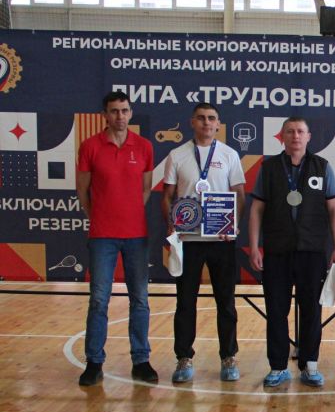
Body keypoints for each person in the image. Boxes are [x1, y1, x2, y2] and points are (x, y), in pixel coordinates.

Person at [248, 117, 335, 388]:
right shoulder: (268, 168)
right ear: (282, 136)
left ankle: (310, 365)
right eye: (290, 131)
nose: (295, 136)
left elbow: (334, 210)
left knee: (312, 310)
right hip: (277, 251)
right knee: (276, 309)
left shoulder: (322, 167)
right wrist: (254, 246)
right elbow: (256, 210)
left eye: (300, 131)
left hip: (311, 251)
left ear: (309, 136)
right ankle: (278, 366)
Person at [75, 90, 156, 386]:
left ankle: (141, 360)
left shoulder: (144, 146)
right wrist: (99, 216)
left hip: (136, 235)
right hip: (102, 237)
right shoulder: (90, 146)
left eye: (124, 110)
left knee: (140, 299)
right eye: (114, 111)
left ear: (130, 113)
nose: (119, 116)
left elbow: (145, 189)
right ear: (105, 115)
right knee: (99, 299)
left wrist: (129, 212)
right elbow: (82, 190)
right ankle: (94, 362)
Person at [161, 103, 246, 383]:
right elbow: (167, 196)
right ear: (192, 122)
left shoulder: (230, 154)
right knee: (185, 302)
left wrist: (232, 225)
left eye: (211, 118)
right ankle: (184, 358)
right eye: (201, 118)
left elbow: (239, 194)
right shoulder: (177, 155)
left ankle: (228, 356)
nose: (206, 123)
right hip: (188, 240)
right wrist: (172, 225)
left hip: (221, 240)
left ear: (218, 124)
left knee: (226, 302)